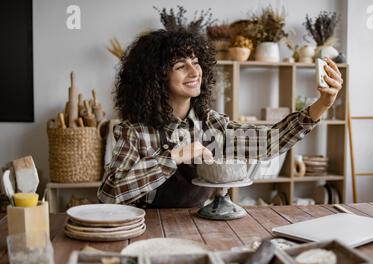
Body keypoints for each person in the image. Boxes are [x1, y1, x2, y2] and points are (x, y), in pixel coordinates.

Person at [97, 29, 343, 208]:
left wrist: (321, 105)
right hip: (147, 230)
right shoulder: (136, 130)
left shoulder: (211, 125)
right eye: (181, 66)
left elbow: (269, 142)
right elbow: (109, 192)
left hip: (199, 226)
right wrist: (175, 155)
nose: (195, 72)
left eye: (196, 62)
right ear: (157, 77)